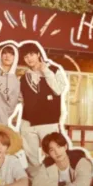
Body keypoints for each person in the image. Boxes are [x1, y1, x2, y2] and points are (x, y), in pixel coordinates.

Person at [19, 42, 67, 176]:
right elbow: (21, 98)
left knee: (53, 154)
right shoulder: (24, 77)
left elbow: (58, 90)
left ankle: (54, 180)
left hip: (48, 121)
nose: (29, 58)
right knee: (31, 158)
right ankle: (36, 181)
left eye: (31, 54)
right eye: (26, 56)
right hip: (27, 121)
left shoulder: (54, 70)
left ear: (38, 54)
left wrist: (45, 70)